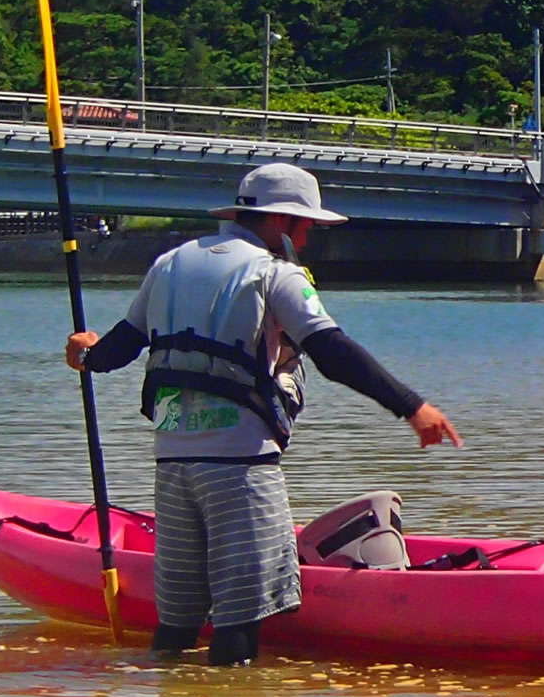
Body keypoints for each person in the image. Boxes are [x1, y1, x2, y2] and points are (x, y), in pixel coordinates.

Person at [64, 162, 462, 666]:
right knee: (238, 621)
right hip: (241, 470)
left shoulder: (169, 265)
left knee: (177, 621)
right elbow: (333, 353)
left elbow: (113, 352)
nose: (310, 237)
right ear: (282, 222)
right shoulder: (274, 274)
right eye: (308, 226)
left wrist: (84, 352)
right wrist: (414, 407)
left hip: (172, 468)